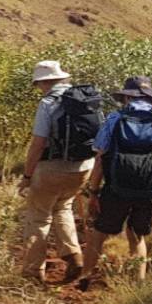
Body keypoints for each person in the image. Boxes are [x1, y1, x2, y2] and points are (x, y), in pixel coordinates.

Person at [80, 76, 152, 289]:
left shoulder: (115, 119)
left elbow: (100, 159)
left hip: (115, 188)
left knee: (99, 232)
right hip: (149, 190)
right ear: (150, 97)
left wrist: (93, 191)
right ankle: (139, 284)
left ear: (125, 97)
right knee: (137, 234)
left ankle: (85, 278)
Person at [15, 60, 99, 284]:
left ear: (44, 82)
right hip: (83, 167)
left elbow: (38, 143)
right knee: (63, 206)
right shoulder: (84, 99)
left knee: (39, 217)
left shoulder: (48, 103)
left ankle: (32, 274)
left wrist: (27, 176)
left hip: (52, 169)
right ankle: (74, 255)